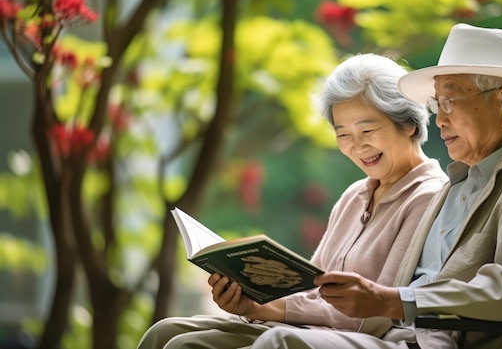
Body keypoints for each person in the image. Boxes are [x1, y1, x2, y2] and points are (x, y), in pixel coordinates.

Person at [246, 23, 502, 349]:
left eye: (449, 101)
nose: (438, 118)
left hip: (439, 342)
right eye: (436, 104)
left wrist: (394, 300)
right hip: (397, 338)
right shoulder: (459, 183)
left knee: (280, 343)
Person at [136, 53, 448, 349]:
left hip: (359, 337)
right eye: (343, 135)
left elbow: (373, 315)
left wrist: (270, 307)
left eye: (367, 129)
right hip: (307, 329)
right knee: (166, 332)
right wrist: (251, 296)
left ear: (408, 123)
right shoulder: (355, 195)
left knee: (188, 346)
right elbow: (312, 288)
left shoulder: (429, 195)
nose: (358, 146)